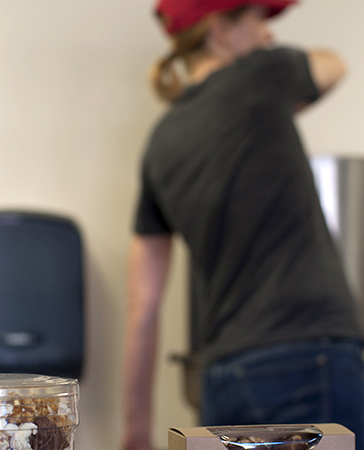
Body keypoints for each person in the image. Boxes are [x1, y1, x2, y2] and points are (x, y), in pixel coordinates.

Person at [123, 1, 364, 450]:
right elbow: (335, 65)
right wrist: (274, 91)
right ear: (221, 29)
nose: (270, 35)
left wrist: (136, 428)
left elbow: (143, 306)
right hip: (308, 355)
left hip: (223, 377)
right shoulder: (261, 74)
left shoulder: (160, 142)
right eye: (259, 20)